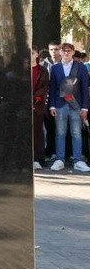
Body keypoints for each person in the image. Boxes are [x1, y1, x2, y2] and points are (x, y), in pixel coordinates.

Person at [48, 41, 90, 172]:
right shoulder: (55, 68)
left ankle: (77, 160)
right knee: (60, 133)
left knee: (76, 133)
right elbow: (53, 88)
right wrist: (52, 106)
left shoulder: (81, 67)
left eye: (69, 51)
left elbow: (84, 89)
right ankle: (59, 159)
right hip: (60, 105)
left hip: (76, 105)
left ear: (73, 52)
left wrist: (85, 108)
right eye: (64, 50)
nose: (66, 53)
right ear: (60, 52)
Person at [32, 47, 50, 170]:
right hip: (22, 106)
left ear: (37, 54)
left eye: (32, 53)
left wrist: (34, 100)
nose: (30, 55)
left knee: (37, 133)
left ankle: (37, 159)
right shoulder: (20, 69)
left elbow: (44, 88)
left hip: (36, 106)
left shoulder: (43, 71)